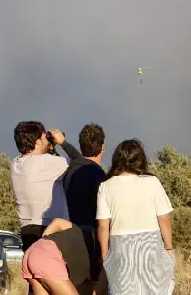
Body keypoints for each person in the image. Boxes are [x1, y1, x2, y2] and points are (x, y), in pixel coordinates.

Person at [96, 139, 175, 295]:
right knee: (153, 288)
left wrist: (105, 256)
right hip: (150, 244)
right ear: (140, 159)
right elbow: (164, 219)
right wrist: (169, 247)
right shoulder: (152, 182)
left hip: (120, 247)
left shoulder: (105, 186)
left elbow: (103, 226)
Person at [10, 122, 82, 252]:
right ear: (37, 142)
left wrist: (50, 148)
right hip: (50, 228)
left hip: (27, 229)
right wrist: (62, 142)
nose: (46, 140)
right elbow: (79, 162)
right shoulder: (46, 162)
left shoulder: (15, 164)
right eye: (44, 138)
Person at [60, 123, 108, 293]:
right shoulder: (101, 177)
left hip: (69, 236)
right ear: (103, 147)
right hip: (92, 240)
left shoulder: (70, 171)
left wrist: (64, 144)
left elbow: (78, 158)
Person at [22, 218, 95, 295]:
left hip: (32, 252)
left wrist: (43, 243)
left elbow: (58, 222)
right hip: (47, 256)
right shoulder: (94, 240)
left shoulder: (80, 232)